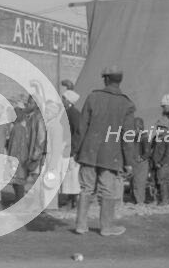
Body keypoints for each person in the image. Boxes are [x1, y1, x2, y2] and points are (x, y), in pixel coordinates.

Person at [73, 66, 135, 236]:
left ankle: (80, 225)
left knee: (86, 188)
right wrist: (129, 162)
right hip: (111, 155)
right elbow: (128, 136)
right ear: (119, 80)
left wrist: (76, 151)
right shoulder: (126, 104)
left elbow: (81, 127)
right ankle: (106, 228)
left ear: (106, 79)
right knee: (108, 190)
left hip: (89, 152)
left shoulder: (93, 97)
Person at [61, 90, 81, 209]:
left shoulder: (73, 113)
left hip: (71, 150)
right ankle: (70, 199)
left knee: (73, 176)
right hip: (66, 148)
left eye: (63, 98)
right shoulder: (67, 112)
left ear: (68, 100)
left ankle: (75, 201)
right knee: (68, 176)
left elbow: (77, 132)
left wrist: (73, 149)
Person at [7, 108, 30, 203]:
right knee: (18, 181)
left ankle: (19, 202)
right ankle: (18, 200)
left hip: (17, 158)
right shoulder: (21, 128)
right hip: (22, 157)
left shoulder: (16, 129)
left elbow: (15, 145)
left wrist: (11, 159)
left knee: (18, 181)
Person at [131, 117, 151, 204]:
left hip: (141, 163)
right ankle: (137, 200)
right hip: (137, 163)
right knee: (136, 182)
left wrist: (141, 158)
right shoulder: (138, 137)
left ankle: (140, 201)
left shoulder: (144, 137)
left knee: (139, 183)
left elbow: (147, 152)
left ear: (138, 127)